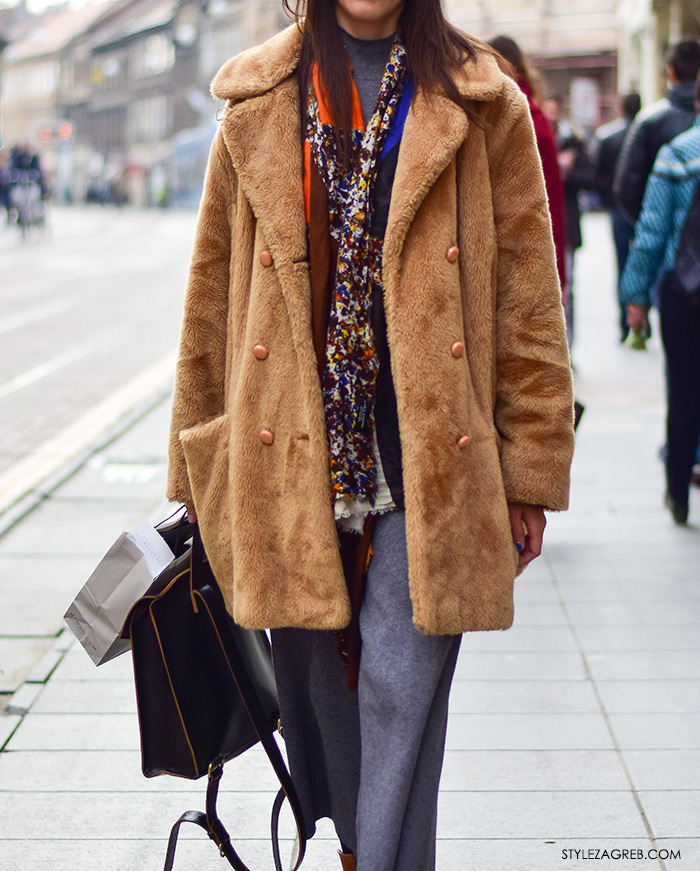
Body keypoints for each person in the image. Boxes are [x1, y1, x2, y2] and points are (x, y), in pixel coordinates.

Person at [166, 2, 575, 870]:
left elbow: (528, 300)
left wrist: (531, 468)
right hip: (289, 449)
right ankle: (363, 848)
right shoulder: (259, 96)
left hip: (434, 453)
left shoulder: (478, 96)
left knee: (401, 685)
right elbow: (210, 300)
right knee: (319, 698)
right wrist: (196, 471)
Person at [620, 72, 700, 526]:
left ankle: (677, 491)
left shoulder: (677, 156)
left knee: (684, 390)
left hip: (683, 291)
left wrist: (635, 296)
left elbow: (650, 232)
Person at [488, 35, 566, 293]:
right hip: (529, 255)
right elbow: (552, 201)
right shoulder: (538, 121)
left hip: (488, 255)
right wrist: (558, 274)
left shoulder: (479, 116)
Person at [614, 38, 700, 227]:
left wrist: (653, 226)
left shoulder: (649, 121)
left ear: (671, 73)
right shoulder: (650, 121)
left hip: (666, 239)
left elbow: (626, 188)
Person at [544, 95, 597, 347]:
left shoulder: (573, 143)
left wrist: (566, 171)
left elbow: (592, 179)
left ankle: (567, 348)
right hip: (543, 225)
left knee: (566, 288)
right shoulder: (536, 137)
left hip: (567, 224)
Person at [595, 92, 641, 341]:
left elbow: (599, 175)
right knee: (643, 262)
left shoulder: (609, 136)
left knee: (622, 263)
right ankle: (640, 317)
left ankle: (625, 323)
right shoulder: (647, 131)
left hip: (618, 209)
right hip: (642, 207)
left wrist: (608, 201)